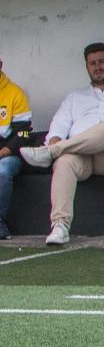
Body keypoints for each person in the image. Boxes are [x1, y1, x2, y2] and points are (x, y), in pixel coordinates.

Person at [18, 42, 104, 246]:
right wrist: (55, 138)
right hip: (83, 158)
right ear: (87, 67)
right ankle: (60, 226)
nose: (97, 67)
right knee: (64, 162)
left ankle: (50, 152)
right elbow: (58, 125)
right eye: (92, 63)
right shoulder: (75, 97)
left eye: (102, 61)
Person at [0, 60, 30, 239]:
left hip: (8, 154)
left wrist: (4, 152)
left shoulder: (15, 93)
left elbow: (25, 132)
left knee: (1, 171)